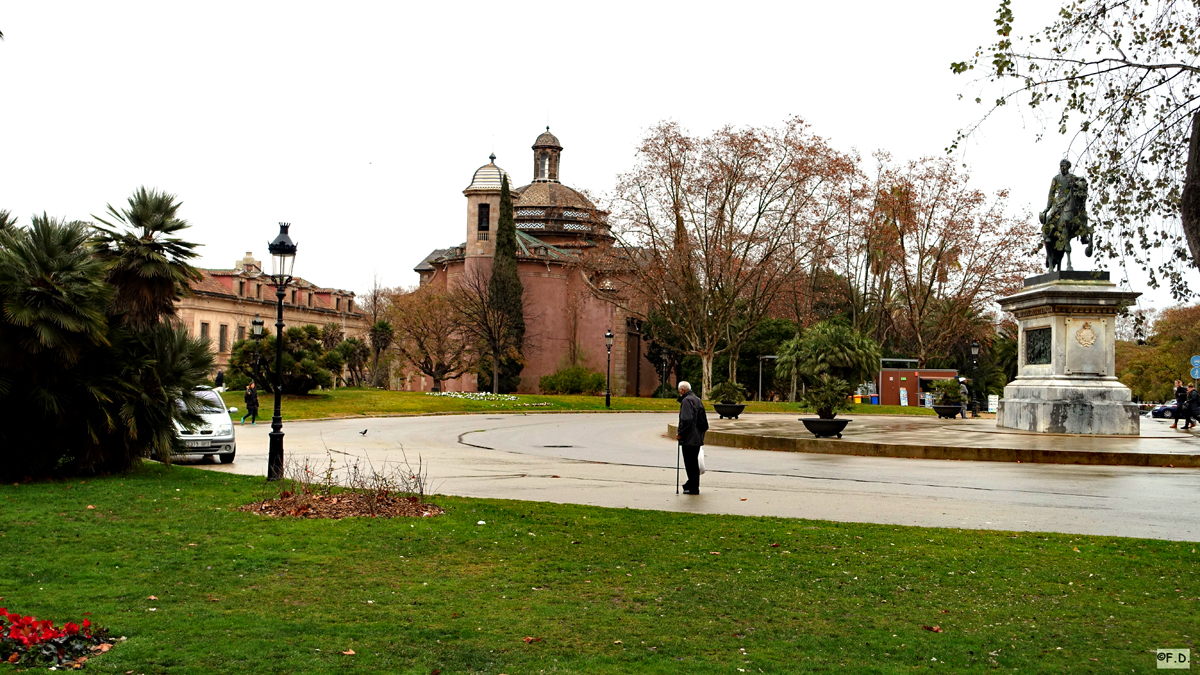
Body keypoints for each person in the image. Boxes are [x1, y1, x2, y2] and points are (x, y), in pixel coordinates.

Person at [675, 381, 709, 495]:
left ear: (682, 390)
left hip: (689, 438)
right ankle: (693, 486)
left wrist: (680, 433)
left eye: (679, 391)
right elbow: (704, 422)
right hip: (697, 437)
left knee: (690, 463)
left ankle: (692, 487)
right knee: (694, 463)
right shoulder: (697, 400)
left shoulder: (686, 401)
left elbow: (686, 419)